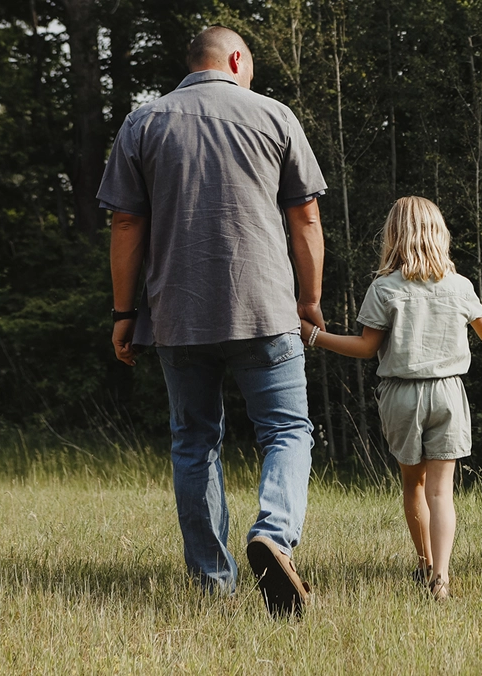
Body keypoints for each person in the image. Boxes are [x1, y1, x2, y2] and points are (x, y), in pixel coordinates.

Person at [98, 26, 327, 617]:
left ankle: (212, 582)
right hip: (266, 308)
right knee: (287, 430)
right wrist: (309, 300)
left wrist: (124, 313)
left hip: (177, 313)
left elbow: (125, 227)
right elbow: (305, 217)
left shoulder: (142, 124)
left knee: (194, 442)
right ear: (235, 59)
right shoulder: (275, 116)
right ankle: (274, 534)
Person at [301, 196, 482, 601]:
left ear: (394, 237)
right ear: (439, 235)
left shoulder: (384, 288)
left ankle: (423, 564)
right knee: (442, 491)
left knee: (414, 487)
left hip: (401, 395)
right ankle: (441, 576)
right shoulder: (459, 286)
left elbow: (367, 348)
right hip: (449, 394)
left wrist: (313, 336)